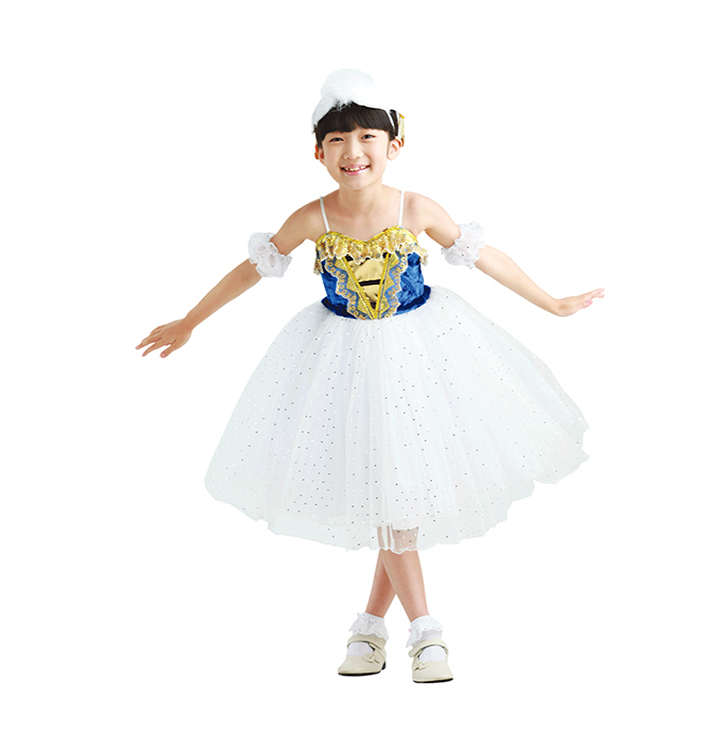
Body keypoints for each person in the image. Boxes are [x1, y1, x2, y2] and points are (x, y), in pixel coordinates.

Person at [136, 69, 604, 684]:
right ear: (318, 151)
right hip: (342, 365)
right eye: (337, 140)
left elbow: (484, 255)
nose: (352, 151)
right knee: (392, 495)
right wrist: (191, 320)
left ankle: (405, 631)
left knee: (396, 496)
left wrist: (552, 302)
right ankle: (396, 630)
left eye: (366, 137)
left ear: (394, 145)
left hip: (421, 357)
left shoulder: (416, 208)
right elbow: (251, 270)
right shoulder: (313, 217)